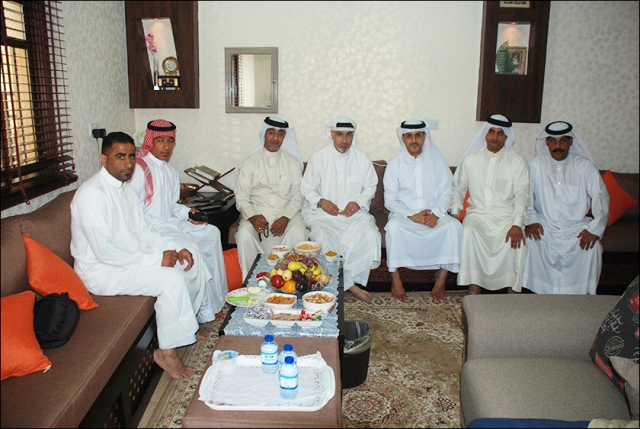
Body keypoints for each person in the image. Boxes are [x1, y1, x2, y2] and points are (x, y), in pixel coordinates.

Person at [71, 132, 214, 380]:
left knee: (187, 259)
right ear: (104, 159)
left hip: (129, 258)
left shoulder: (125, 190)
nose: (128, 163)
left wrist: (175, 248)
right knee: (171, 279)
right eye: (120, 157)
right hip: (101, 271)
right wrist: (157, 260)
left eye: (131, 156)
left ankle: (185, 327)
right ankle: (166, 354)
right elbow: (105, 252)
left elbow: (145, 233)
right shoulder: (91, 195)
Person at [130, 119, 228, 321]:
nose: (166, 146)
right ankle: (202, 313)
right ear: (150, 141)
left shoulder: (170, 172)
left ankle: (217, 300)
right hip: (153, 229)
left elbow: (172, 205)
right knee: (192, 247)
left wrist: (189, 213)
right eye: (160, 140)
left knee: (212, 232)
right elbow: (132, 211)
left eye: (169, 141)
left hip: (171, 223)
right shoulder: (138, 170)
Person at [300, 116, 381, 303]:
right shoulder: (318, 157)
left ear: (353, 136)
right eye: (339, 134)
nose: (344, 140)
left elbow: (370, 187)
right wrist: (321, 201)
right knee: (321, 240)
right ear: (331, 134)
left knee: (371, 235)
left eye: (348, 135)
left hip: (354, 217)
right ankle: (351, 286)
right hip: (324, 216)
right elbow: (306, 188)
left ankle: (343, 282)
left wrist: (358, 202)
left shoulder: (362, 159)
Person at [523, 121, 610, 294]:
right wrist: (531, 220)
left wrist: (594, 229)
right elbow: (525, 197)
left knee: (592, 248)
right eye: (553, 141)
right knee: (531, 242)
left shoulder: (585, 167)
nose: (558, 146)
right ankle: (535, 294)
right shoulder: (536, 165)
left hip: (575, 227)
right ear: (547, 142)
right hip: (545, 225)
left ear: (570, 141)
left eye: (563, 141)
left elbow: (601, 197)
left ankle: (579, 296)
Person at [383, 119, 463, 302]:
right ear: (402, 138)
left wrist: (436, 214)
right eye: (409, 136)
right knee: (393, 228)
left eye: (418, 135)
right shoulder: (395, 165)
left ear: (424, 136)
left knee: (454, 227)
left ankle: (441, 278)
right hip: (406, 216)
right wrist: (412, 216)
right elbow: (390, 201)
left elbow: (448, 193)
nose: (414, 140)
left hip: (434, 214)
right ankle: (395, 279)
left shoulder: (437, 162)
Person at [450, 114, 529, 294]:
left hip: (506, 217)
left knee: (516, 240)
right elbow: (457, 189)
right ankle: (474, 287)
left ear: (506, 136)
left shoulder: (517, 161)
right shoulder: (471, 159)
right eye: (491, 132)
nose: (495, 137)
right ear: (485, 134)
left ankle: (511, 290)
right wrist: (455, 214)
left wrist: (517, 224)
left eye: (500, 133)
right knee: (468, 232)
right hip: (477, 216)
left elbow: (522, 195)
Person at [234, 116, 308, 279]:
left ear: (284, 136)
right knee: (244, 234)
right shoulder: (250, 162)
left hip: (286, 212)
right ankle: (252, 281)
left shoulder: (292, 163)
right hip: (257, 213)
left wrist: (285, 217)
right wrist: (252, 216)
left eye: (280, 134)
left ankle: (291, 280)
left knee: (299, 232)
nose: (275, 137)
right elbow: (241, 195)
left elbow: (298, 195)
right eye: (271, 132)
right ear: (264, 134)